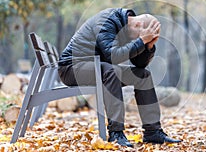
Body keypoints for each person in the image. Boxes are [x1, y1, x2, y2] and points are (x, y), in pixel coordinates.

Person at [58, 8, 181, 147]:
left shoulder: (128, 30)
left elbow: (139, 64)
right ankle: (116, 133)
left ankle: (153, 131)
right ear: (137, 25)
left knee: (143, 76)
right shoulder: (106, 21)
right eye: (142, 37)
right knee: (111, 71)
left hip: (97, 67)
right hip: (71, 68)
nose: (139, 40)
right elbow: (112, 56)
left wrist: (148, 46)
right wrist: (141, 41)